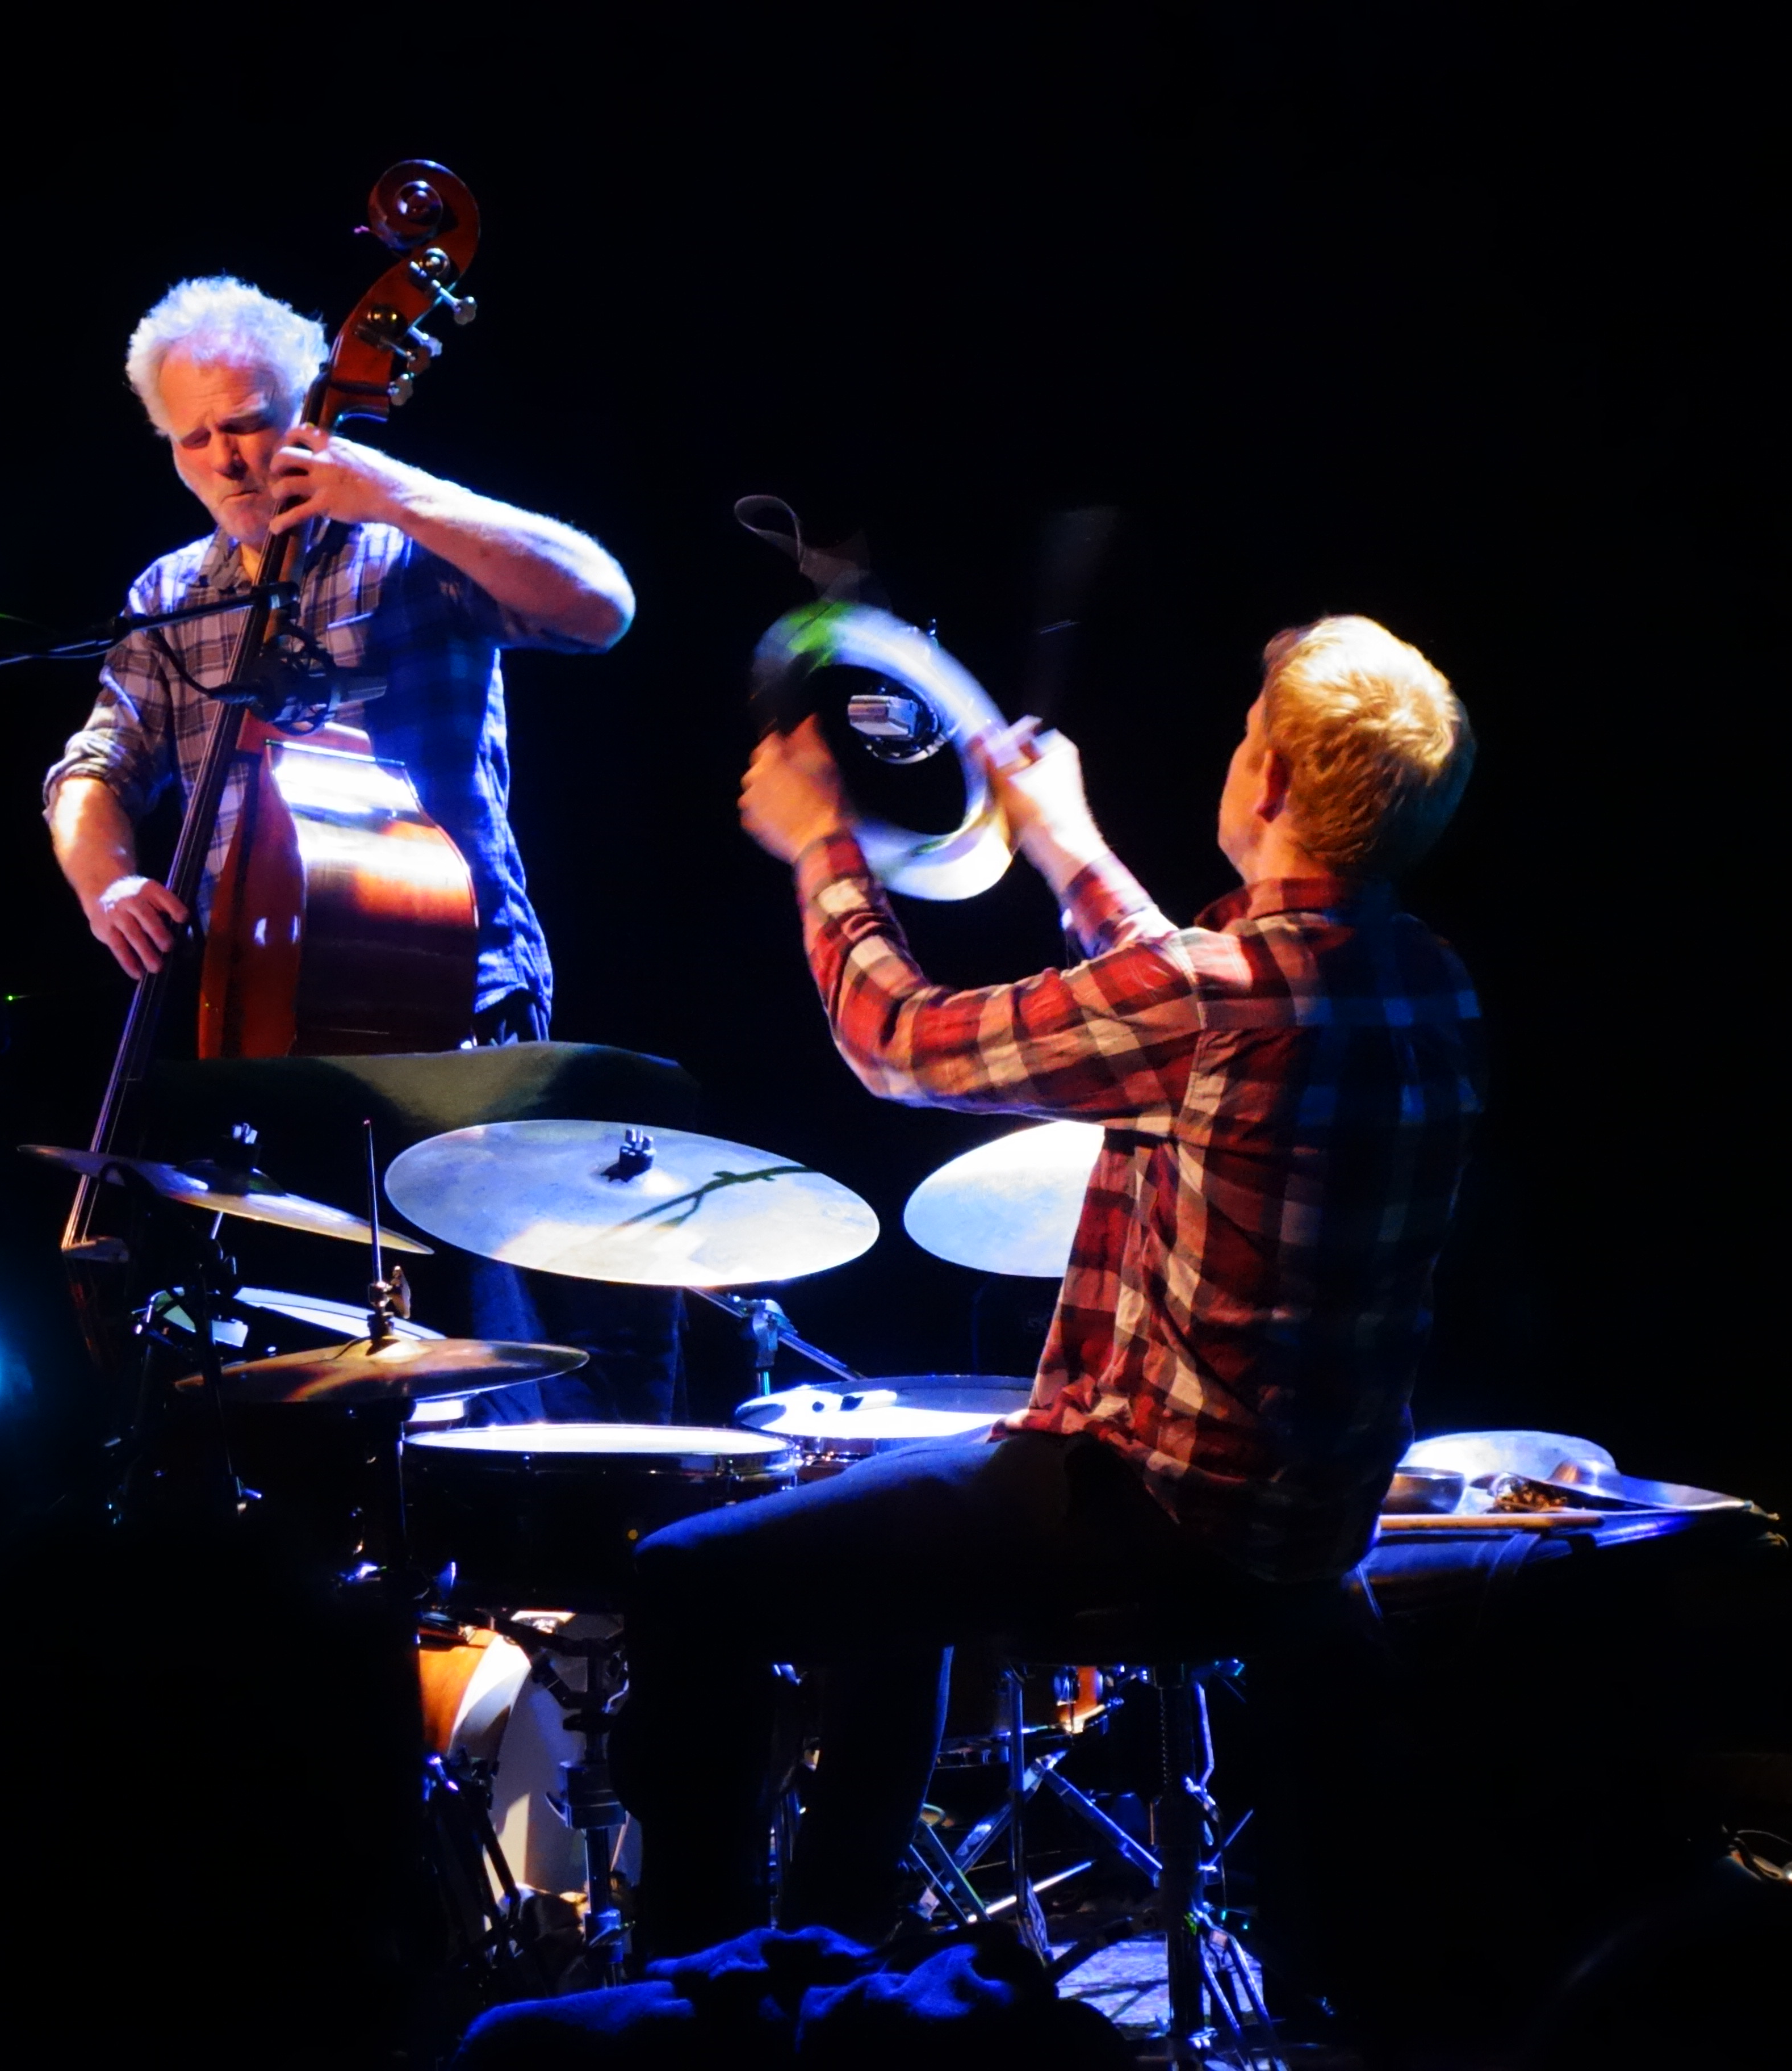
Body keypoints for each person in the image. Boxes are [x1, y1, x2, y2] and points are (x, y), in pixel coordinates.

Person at [622, 614, 1484, 1959]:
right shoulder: (1429, 981)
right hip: (1305, 1533)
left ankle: (694, 1999)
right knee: (893, 1574)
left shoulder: (1217, 1001)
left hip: (1160, 1514)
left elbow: (898, 1046)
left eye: (1247, 738)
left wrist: (823, 849)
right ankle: (820, 1960)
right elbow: (1177, 999)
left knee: (682, 1581)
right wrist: (1060, 839)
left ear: (1263, 787)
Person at [44, 276, 673, 1416]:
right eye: (195, 440)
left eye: (248, 424)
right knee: (301, 1371)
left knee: (484, 1361)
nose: (228, 461)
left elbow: (600, 606)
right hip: (258, 1027)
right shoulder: (169, 596)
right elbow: (94, 767)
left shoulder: (408, 546)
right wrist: (109, 879)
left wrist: (398, 493)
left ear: (310, 412)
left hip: (450, 1007)